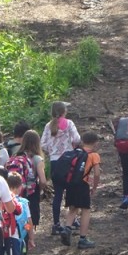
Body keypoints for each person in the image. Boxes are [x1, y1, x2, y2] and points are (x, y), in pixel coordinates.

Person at [40, 101, 81, 235]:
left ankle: (56, 224)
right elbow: (76, 138)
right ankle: (72, 220)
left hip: (54, 163)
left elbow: (43, 144)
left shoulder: (48, 126)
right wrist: (71, 147)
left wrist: (51, 151)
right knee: (72, 191)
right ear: (64, 111)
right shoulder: (69, 124)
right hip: (68, 162)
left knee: (58, 194)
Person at [15, 129, 48, 255]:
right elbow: (43, 180)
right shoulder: (37, 159)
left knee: (16, 226)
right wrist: (41, 190)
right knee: (28, 225)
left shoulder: (17, 156)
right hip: (30, 196)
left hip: (16, 195)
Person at [60, 131, 101, 249]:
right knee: (86, 210)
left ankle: (67, 229)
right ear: (95, 143)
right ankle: (83, 239)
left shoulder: (76, 152)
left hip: (71, 184)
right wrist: (94, 187)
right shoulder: (94, 155)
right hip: (83, 185)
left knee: (73, 208)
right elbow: (97, 173)